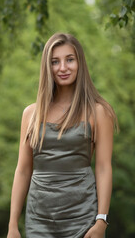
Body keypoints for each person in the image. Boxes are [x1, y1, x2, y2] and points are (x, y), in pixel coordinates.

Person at [7, 33, 118, 238]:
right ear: (47, 67)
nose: (63, 68)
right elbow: (23, 170)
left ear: (80, 63)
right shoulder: (30, 114)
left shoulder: (98, 112)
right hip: (38, 219)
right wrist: (12, 225)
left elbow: (103, 168)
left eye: (70, 59)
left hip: (82, 217)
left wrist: (101, 220)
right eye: (54, 62)